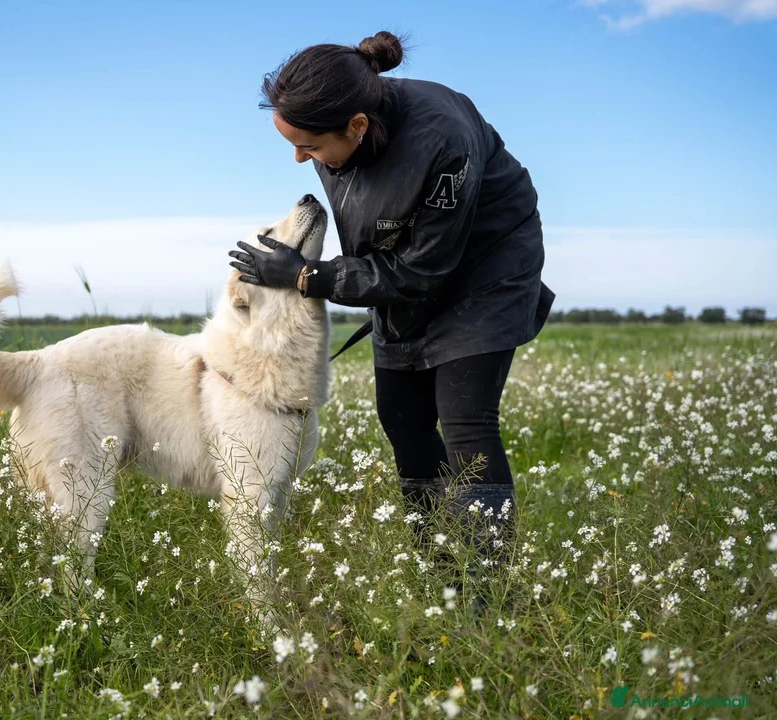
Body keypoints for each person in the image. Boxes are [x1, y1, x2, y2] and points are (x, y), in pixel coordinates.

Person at [229, 30, 555, 571]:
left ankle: (488, 587)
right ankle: (437, 570)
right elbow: (380, 239)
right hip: (399, 269)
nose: (298, 157)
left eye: (307, 146)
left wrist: (309, 276)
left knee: (466, 421)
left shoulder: (443, 141)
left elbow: (420, 271)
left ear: (357, 125)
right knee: (401, 416)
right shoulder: (337, 125)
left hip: (485, 274)